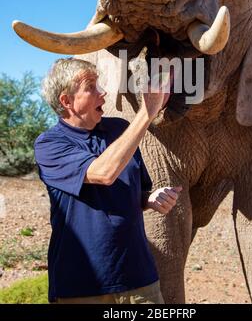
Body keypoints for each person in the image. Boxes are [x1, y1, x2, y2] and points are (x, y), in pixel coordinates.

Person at [34, 58, 182, 304]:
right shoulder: (50, 144)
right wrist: (146, 114)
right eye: (91, 86)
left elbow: (138, 191)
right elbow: (103, 173)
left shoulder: (119, 130)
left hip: (139, 278)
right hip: (81, 285)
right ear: (66, 101)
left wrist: (150, 198)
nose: (102, 92)